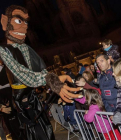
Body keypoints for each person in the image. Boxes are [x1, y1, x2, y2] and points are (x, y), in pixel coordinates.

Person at [0, 5, 82, 140]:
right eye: (19, 21)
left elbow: (41, 69)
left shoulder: (26, 48)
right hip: (21, 99)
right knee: (32, 132)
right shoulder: (4, 50)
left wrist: (56, 87)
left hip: (33, 95)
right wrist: (52, 80)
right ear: (5, 22)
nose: (25, 26)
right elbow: (22, 73)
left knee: (46, 129)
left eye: (26, 22)